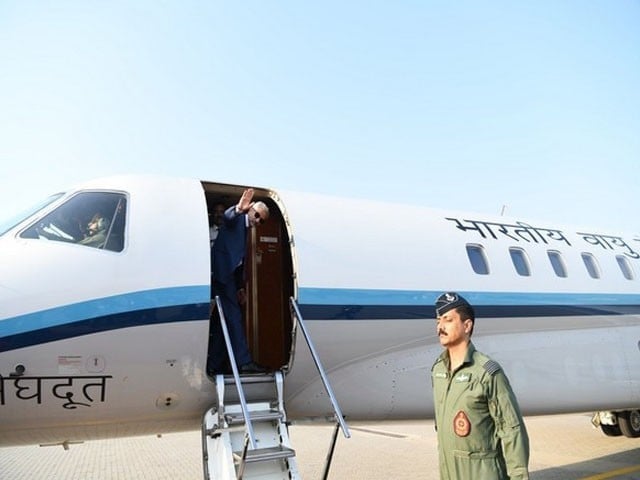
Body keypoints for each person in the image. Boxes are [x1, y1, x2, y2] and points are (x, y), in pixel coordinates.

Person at [431, 292, 529, 480]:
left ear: (467, 326)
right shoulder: (438, 371)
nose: (440, 327)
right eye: (438, 321)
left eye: (447, 320)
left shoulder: (487, 372)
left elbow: (511, 430)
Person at [210, 188, 270, 375]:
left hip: (229, 276)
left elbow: (239, 262)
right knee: (234, 317)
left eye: (262, 220)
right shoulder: (237, 218)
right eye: (257, 215)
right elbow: (227, 217)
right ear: (251, 209)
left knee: (222, 322)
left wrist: (240, 288)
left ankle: (215, 363)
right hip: (221, 274)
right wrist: (238, 208)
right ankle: (244, 362)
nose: (258, 221)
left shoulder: (245, 230)